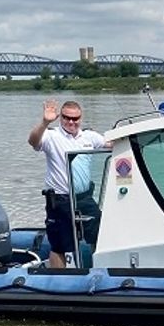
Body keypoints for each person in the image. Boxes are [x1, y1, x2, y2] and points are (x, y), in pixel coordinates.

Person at [28, 99, 108, 268]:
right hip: (60, 200)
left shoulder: (89, 137)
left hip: (84, 198)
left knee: (100, 237)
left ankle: (99, 274)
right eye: (66, 118)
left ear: (81, 118)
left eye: (75, 118)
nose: (71, 122)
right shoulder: (51, 136)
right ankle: (61, 283)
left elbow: (112, 144)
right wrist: (45, 122)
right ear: (60, 118)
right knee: (59, 246)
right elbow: (33, 142)